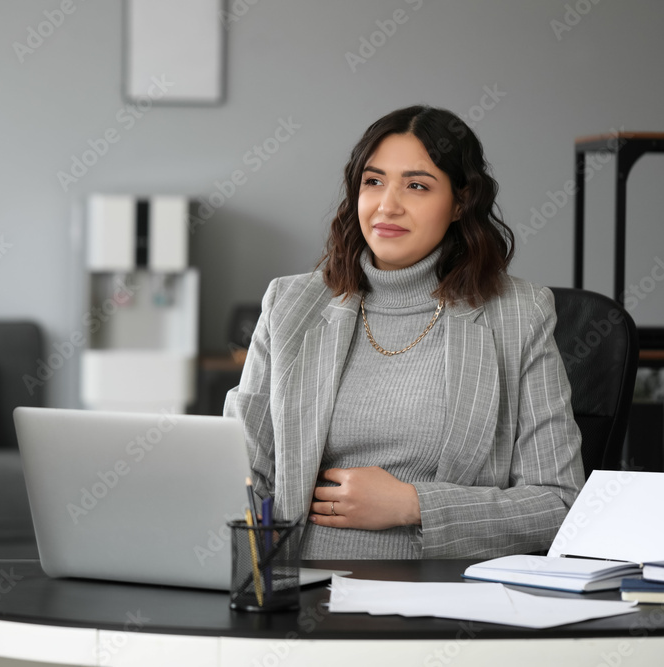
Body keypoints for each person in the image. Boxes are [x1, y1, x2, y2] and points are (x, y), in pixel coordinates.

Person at [223, 105, 584, 559]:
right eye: (373, 181)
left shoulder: (518, 314)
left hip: (440, 597)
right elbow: (241, 475)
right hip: (298, 590)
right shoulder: (289, 305)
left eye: (417, 185)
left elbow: (560, 504)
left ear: (460, 202)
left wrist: (414, 505)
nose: (387, 205)